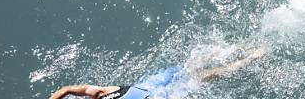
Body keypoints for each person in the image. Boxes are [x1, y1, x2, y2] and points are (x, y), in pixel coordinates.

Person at [48, 47, 267, 99]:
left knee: (196, 74)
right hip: (153, 88)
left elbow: (67, 89)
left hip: (158, 92)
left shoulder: (98, 94)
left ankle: (246, 55)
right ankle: (242, 53)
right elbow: (66, 89)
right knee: (193, 70)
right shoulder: (99, 94)